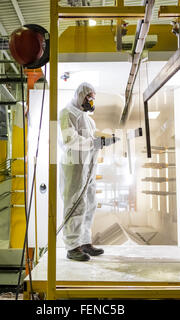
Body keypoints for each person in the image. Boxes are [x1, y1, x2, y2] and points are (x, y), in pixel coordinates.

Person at [58, 82, 118, 261]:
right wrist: (95, 143)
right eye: (88, 97)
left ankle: (84, 243)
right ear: (79, 95)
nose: (90, 101)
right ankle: (72, 246)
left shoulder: (88, 119)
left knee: (90, 204)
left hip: (89, 166)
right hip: (74, 165)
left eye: (92, 98)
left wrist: (105, 140)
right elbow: (70, 140)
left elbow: (92, 140)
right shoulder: (67, 113)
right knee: (75, 204)